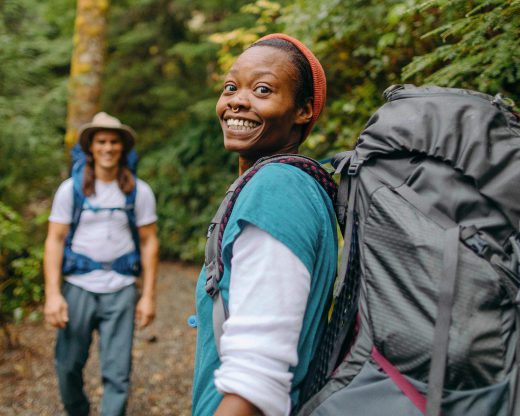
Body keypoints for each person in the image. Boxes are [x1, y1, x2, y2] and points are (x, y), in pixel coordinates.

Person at [192, 34, 338, 416]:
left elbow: (256, 385)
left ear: (303, 110)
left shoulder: (277, 189)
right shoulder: (294, 184)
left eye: (262, 89)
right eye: (230, 87)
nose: (237, 100)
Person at [43, 112, 159, 416]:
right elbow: (54, 240)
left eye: (113, 142)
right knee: (68, 366)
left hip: (121, 289)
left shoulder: (139, 191)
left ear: (123, 148)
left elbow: (149, 242)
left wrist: (147, 296)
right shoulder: (71, 190)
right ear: (91, 148)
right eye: (101, 142)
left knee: (118, 372)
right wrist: (53, 294)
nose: (108, 148)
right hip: (78, 286)